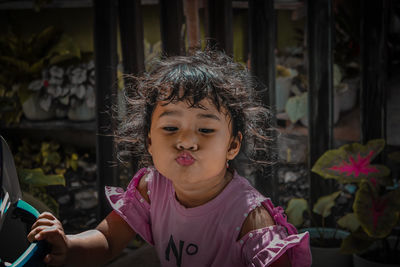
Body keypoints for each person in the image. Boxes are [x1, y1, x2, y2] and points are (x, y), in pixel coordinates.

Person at [28, 50, 311, 267]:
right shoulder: (152, 186)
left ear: (233, 146)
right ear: (150, 141)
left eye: (205, 129)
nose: (186, 140)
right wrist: (68, 245)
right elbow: (108, 240)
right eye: (171, 127)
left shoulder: (250, 218)